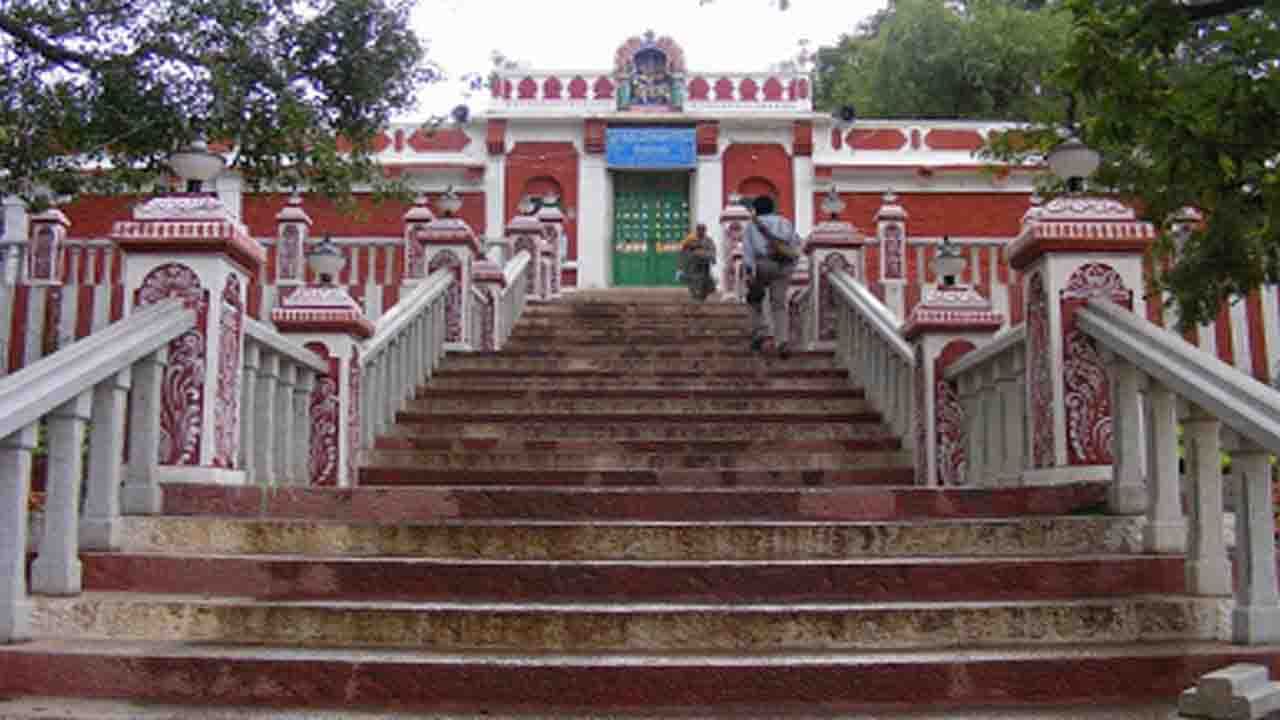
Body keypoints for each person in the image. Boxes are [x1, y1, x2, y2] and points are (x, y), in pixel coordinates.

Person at [742, 195, 801, 358]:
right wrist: (791, 267)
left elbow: (748, 252)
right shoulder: (785, 222)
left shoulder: (751, 226)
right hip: (782, 265)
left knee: (756, 299)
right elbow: (795, 245)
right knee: (779, 304)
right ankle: (782, 341)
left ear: (756, 209)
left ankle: (762, 334)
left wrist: (749, 273)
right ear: (772, 207)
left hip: (763, 265)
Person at [678, 223, 717, 301]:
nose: (701, 232)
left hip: (704, 264)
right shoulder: (690, 239)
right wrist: (682, 264)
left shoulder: (708, 240)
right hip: (693, 264)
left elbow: (712, 250)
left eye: (703, 230)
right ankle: (695, 294)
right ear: (697, 230)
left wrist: (712, 258)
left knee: (707, 280)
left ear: (705, 231)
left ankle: (704, 292)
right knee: (692, 280)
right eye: (699, 230)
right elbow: (683, 250)